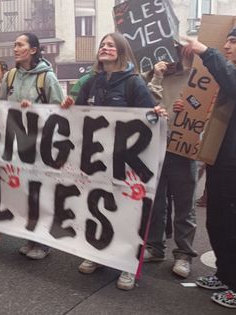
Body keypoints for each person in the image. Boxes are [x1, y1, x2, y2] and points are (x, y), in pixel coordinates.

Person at [61, 32, 164, 291]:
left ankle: (126, 266)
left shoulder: (134, 83)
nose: (104, 48)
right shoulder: (92, 82)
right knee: (97, 209)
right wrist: (68, 106)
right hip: (97, 161)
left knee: (126, 215)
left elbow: (148, 118)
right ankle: (97, 254)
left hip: (125, 163)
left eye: (110, 45)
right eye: (102, 45)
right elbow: (78, 113)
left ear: (121, 51)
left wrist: (156, 115)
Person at [183, 25, 236, 309]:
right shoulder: (235, 73)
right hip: (221, 160)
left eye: (234, 42)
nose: (228, 46)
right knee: (217, 222)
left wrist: (207, 51)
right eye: (226, 41)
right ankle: (225, 275)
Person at [0, 32, 64, 259]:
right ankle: (31, 238)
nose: (15, 48)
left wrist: (35, 111)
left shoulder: (47, 78)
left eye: (20, 45)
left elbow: (60, 112)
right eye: (15, 45)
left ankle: (42, 243)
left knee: (39, 195)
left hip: (40, 148)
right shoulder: (10, 76)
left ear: (32, 50)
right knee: (24, 193)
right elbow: (2, 106)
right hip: (17, 146)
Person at [144, 50, 198, 279]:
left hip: (183, 147)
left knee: (185, 203)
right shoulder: (152, 76)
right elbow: (145, 105)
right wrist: (156, 76)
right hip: (156, 146)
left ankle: (184, 254)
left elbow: (201, 108)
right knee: (156, 202)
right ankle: (155, 247)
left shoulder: (195, 77)